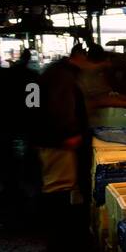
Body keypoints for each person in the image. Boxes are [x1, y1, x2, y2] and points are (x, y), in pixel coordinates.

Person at [35, 44, 104, 218]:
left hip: (51, 138)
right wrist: (69, 133)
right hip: (57, 141)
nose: (91, 66)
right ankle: (60, 234)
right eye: (90, 60)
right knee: (59, 186)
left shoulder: (57, 70)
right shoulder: (63, 75)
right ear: (80, 56)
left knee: (59, 184)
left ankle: (61, 230)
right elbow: (61, 106)